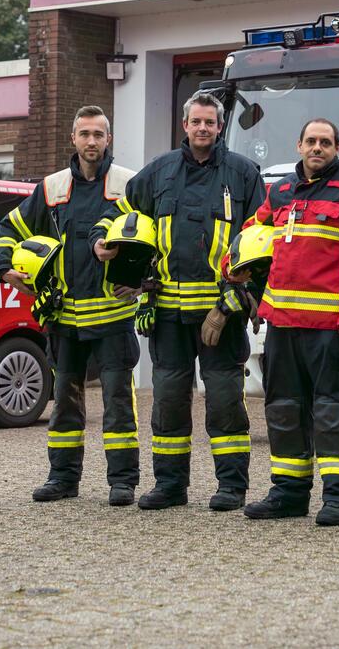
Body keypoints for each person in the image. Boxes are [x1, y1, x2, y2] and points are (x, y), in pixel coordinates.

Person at [92, 90, 264, 512]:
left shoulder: (243, 173)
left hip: (220, 315)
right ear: (184, 126)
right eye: (196, 122)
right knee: (168, 402)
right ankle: (170, 486)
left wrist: (244, 299)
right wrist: (102, 242)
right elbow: (119, 213)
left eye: (210, 122)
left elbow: (264, 238)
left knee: (225, 401)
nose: (202, 128)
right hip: (167, 313)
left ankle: (231, 488)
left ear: (220, 128)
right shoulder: (159, 172)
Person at [0, 105, 139, 505]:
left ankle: (122, 481)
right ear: (72, 138)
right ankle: (62, 478)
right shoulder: (52, 188)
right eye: (84, 134)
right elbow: (10, 227)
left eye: (98, 134)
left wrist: (144, 282)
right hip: (64, 318)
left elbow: (157, 236)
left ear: (109, 140)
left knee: (118, 405)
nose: (91, 141)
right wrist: (4, 269)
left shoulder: (129, 184)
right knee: (65, 406)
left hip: (113, 318)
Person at [237, 118, 339, 527]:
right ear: (298, 145)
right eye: (311, 141)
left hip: (330, 329)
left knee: (334, 412)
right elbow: (252, 234)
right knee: (284, 410)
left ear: (337, 147)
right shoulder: (279, 191)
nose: (317, 148)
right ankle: (288, 493)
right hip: (282, 325)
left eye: (325, 142)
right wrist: (235, 267)